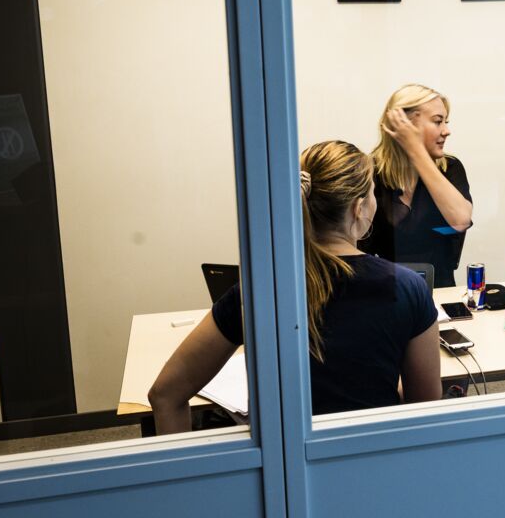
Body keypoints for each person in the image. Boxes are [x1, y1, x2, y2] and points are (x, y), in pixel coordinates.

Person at [148, 141, 441, 432]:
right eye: (374, 193)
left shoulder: (261, 290)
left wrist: (185, 478)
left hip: (284, 474)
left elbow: (165, 395)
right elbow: (425, 409)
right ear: (359, 207)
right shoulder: (407, 288)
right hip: (372, 468)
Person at [361, 84, 473, 287]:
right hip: (386, 292)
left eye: (445, 122)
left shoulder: (450, 168)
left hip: (441, 292)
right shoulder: (370, 173)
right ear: (404, 126)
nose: (446, 131)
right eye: (438, 122)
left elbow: (461, 220)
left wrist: (416, 151)